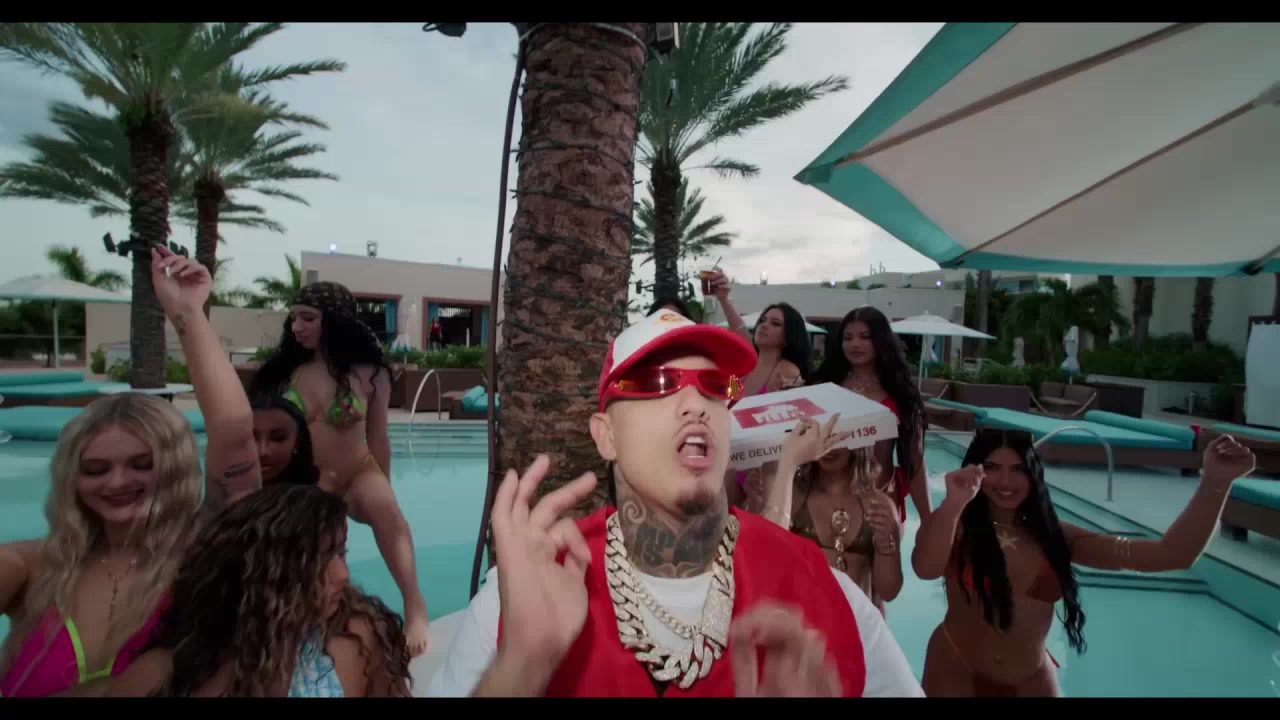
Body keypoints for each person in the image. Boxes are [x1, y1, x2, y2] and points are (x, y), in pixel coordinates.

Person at [427, 310, 922, 697]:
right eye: (656, 384)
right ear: (606, 436)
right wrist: (521, 667)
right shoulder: (519, 596)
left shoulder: (824, 593)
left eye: (716, 387)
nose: (695, 404)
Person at [0, 246, 262, 698]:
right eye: (96, 469)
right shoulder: (33, 567)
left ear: (174, 469)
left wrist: (187, 313)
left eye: (142, 465)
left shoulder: (200, 555)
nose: (118, 482)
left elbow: (235, 433)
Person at [913, 428, 1256, 697]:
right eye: (992, 468)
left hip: (1031, 680)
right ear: (974, 470)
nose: (1005, 481)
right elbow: (925, 569)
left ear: (1034, 474)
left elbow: (1172, 555)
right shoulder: (953, 525)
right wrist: (954, 503)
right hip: (956, 671)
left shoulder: (1058, 538)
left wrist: (1216, 483)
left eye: (1018, 469)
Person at [250, 281, 430, 655]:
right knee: (308, 538)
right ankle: (310, 611)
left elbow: (378, 435)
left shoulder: (370, 373)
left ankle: (415, 606)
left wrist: (385, 481)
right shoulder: (284, 372)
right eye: (293, 318)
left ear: (333, 320)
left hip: (358, 471)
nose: (296, 326)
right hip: (309, 478)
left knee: (387, 511)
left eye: (307, 318)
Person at [108, 484, 412, 697]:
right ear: (258, 576)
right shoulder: (158, 677)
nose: (343, 575)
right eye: (318, 560)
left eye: (340, 553)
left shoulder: (355, 643)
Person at [755, 416, 905, 616]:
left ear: (857, 437)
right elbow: (766, 566)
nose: (831, 445)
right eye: (823, 434)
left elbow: (889, 592)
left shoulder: (878, 505)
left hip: (857, 624)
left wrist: (885, 541)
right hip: (804, 624)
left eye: (837, 435)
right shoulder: (792, 497)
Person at [809, 306, 931, 523]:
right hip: (825, 500)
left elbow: (916, 459)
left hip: (881, 500)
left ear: (881, 340)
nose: (855, 344)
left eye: (865, 337)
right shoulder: (825, 387)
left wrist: (927, 519)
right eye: (848, 338)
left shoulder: (901, 394)